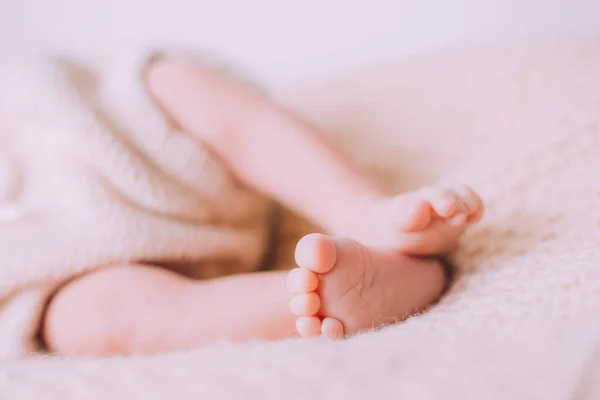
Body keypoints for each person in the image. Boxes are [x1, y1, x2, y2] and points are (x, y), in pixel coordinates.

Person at [42, 55, 483, 356]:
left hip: (140, 149)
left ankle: (362, 211)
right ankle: (313, 297)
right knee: (85, 323)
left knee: (172, 80)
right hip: (74, 268)